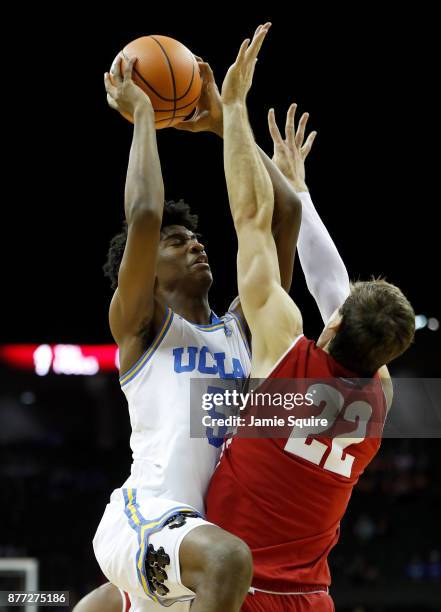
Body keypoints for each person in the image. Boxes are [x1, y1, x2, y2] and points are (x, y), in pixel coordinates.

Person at [205, 23, 415, 612]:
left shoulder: (285, 357)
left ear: (336, 327)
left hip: (237, 593)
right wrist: (299, 193)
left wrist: (234, 111)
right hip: (309, 597)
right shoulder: (380, 396)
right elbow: (336, 294)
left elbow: (251, 217)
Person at [91, 25, 301, 612]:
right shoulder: (141, 327)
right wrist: (142, 117)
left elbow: (284, 213)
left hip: (202, 542)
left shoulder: (243, 329)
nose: (196, 245)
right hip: (150, 516)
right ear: (145, 272)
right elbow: (146, 212)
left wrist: (222, 122)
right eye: (176, 242)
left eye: (196, 237)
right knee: (231, 559)